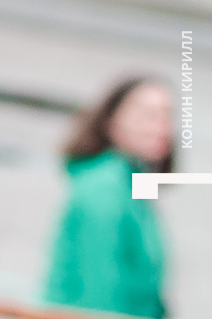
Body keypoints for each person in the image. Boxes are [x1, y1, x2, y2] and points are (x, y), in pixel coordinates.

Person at [44, 77, 174, 317]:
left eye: (167, 116)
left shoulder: (132, 182)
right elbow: (98, 294)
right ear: (112, 120)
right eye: (148, 115)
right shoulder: (104, 188)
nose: (161, 127)